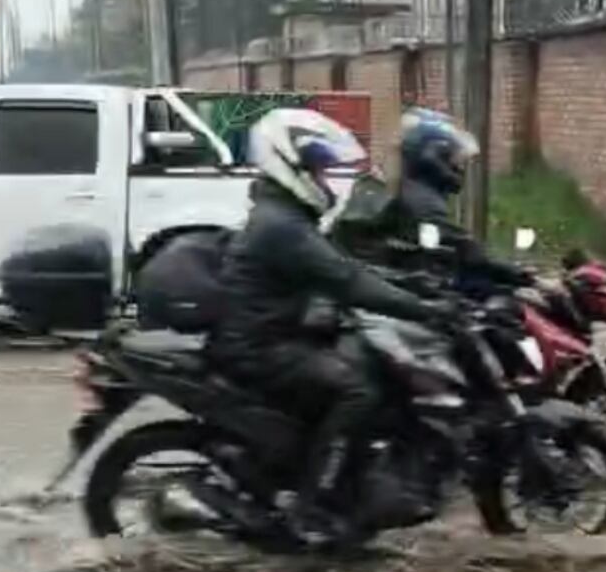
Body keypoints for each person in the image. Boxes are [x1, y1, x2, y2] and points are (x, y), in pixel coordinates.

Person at [207, 108, 447, 547]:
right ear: (289, 164)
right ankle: (312, 505)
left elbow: (342, 268)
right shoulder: (282, 226)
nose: (325, 179)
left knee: (363, 362)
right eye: (319, 169)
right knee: (359, 389)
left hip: (273, 333)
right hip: (260, 347)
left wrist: (410, 285)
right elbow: (346, 280)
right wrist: (424, 310)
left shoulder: (286, 215)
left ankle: (340, 481)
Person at [393, 107, 534, 295]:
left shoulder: (412, 192)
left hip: (429, 283)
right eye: (454, 160)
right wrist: (523, 277)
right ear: (434, 160)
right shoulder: (425, 205)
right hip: (435, 291)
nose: (459, 169)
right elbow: (470, 252)